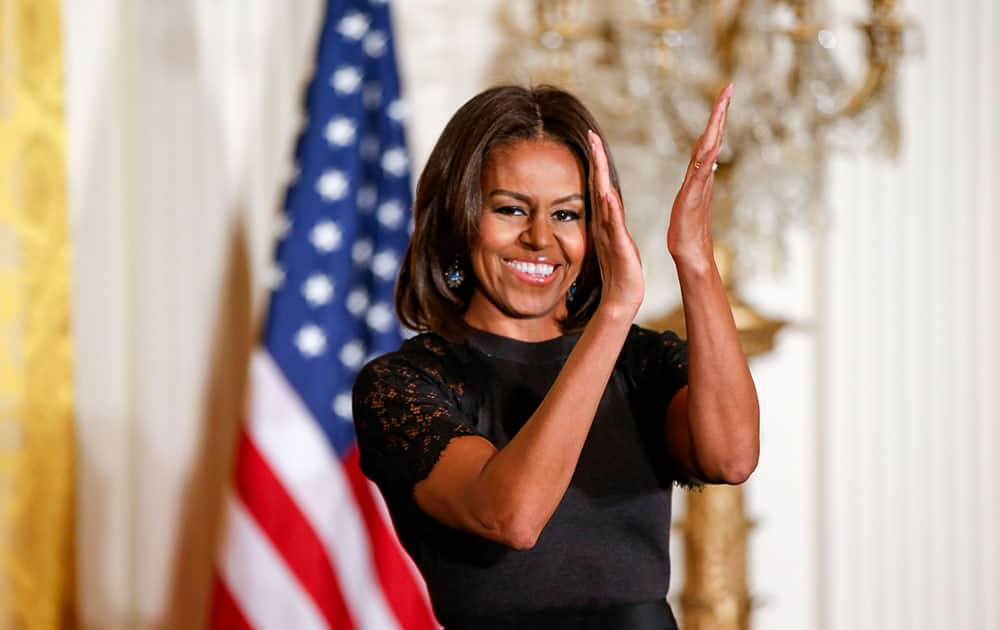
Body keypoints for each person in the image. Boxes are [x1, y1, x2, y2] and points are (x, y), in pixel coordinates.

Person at [352, 84, 759, 630]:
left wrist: (695, 259)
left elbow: (730, 459)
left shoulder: (641, 363)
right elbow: (513, 517)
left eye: (567, 215)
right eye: (510, 209)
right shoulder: (403, 384)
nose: (539, 237)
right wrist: (614, 311)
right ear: (459, 217)